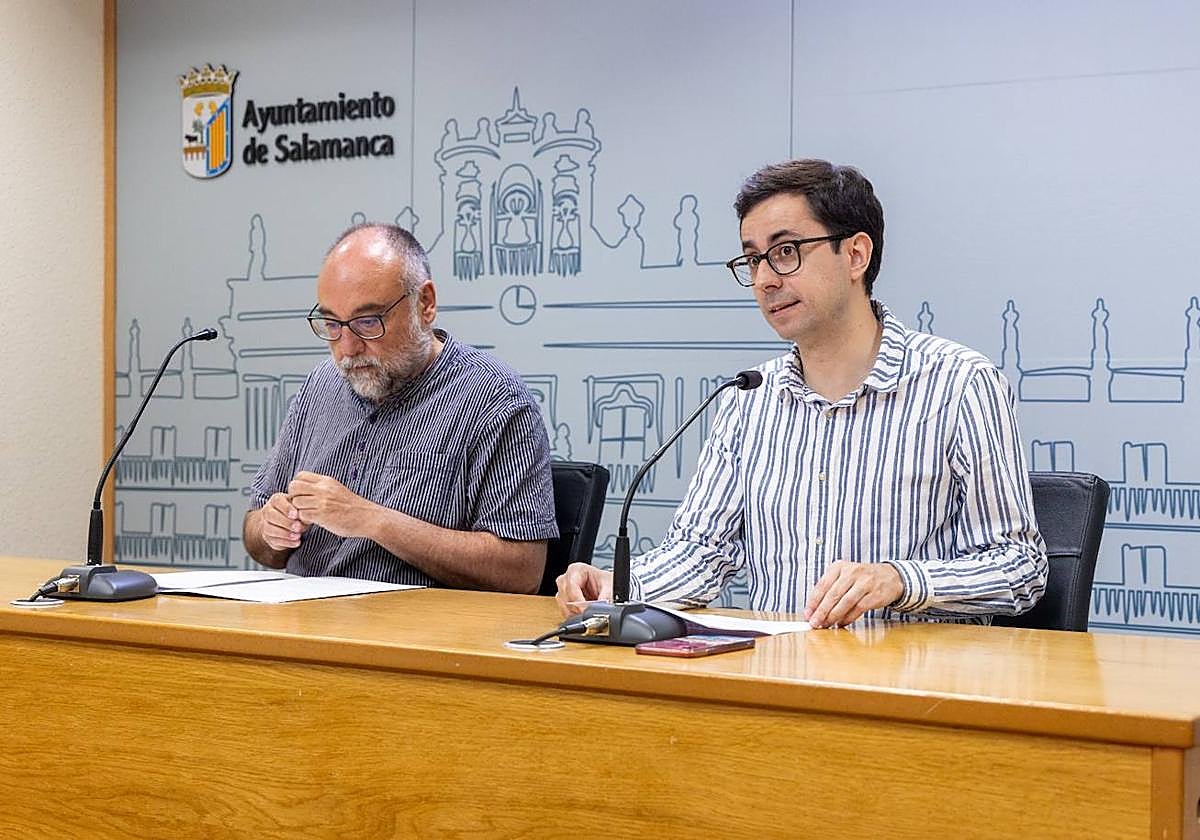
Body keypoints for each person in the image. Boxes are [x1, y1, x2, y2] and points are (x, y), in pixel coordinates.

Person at [557, 159, 1047, 627]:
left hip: (910, 688)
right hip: (780, 679)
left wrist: (900, 579)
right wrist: (616, 586)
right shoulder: (748, 398)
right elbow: (700, 553)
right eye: (752, 259)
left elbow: (1020, 567)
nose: (766, 280)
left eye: (786, 252)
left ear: (856, 254)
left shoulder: (959, 384)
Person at [244, 223, 558, 593]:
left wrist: (372, 520)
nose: (347, 348)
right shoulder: (320, 385)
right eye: (332, 324)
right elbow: (256, 536)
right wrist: (271, 527)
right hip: (304, 625)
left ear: (425, 304)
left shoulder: (495, 399)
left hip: (415, 638)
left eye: (367, 322)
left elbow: (521, 572)